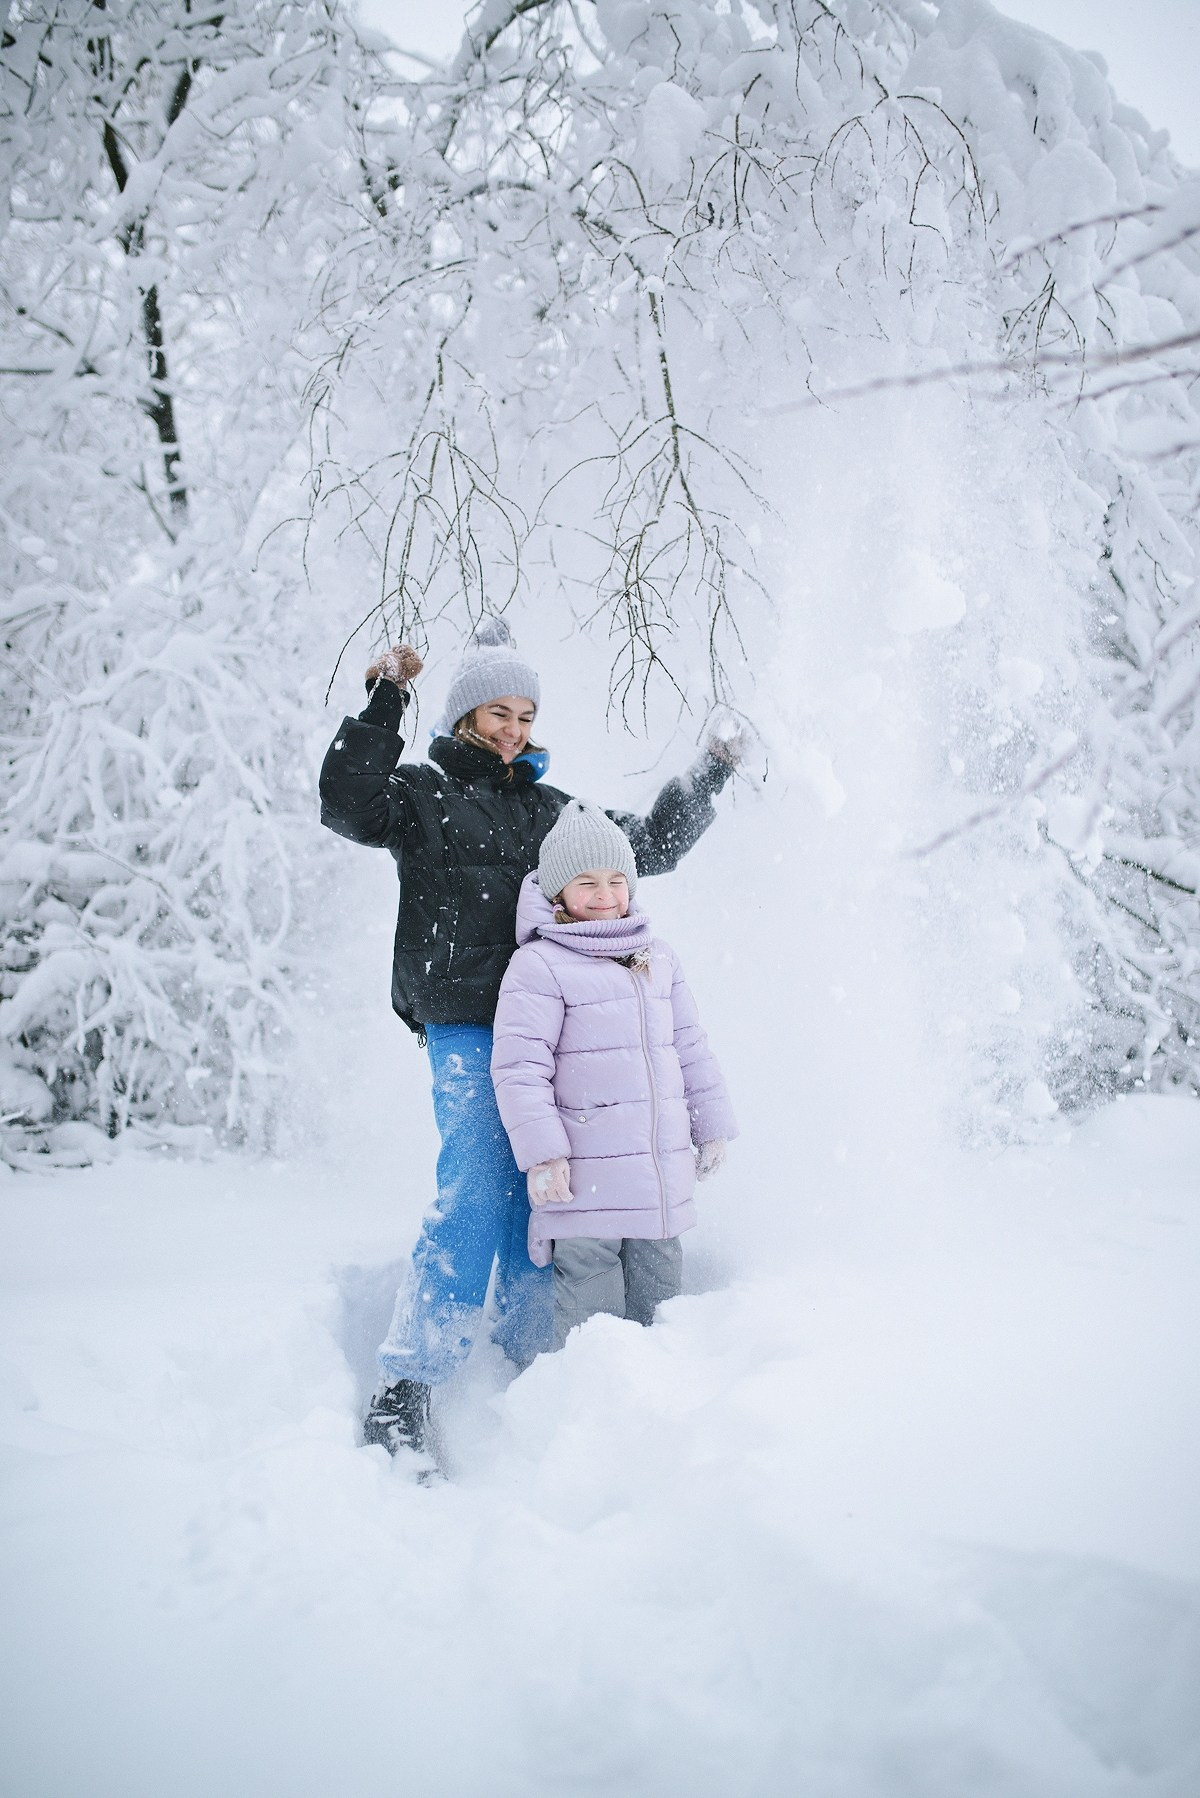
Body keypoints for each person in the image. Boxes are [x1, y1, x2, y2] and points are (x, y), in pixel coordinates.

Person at [319, 617, 746, 1461]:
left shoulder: (553, 812)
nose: (514, 730)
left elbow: (647, 845)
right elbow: (346, 803)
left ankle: (531, 1364)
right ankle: (410, 1382)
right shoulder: (422, 795)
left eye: (525, 715)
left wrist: (713, 772)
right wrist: (385, 699)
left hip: (554, 1035)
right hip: (467, 1022)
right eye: (497, 714)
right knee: (478, 1186)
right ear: (464, 717)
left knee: (542, 1201)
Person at [490, 803, 737, 1348]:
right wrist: (543, 1153)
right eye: (588, 882)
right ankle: (587, 1414)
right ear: (559, 893)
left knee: (666, 1313)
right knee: (590, 1320)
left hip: (659, 1178)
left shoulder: (657, 958)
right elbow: (520, 1068)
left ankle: (670, 1414)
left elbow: (690, 1046)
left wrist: (711, 1125)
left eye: (616, 881)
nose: (606, 895)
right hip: (585, 1183)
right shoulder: (540, 965)